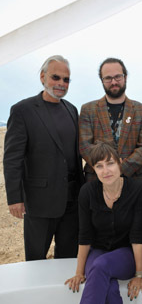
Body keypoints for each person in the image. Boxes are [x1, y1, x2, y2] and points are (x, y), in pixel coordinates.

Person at [51, 141, 142, 304]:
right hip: (99, 253)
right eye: (99, 166)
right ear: (94, 169)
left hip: (125, 254)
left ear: (120, 163)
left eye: (110, 163)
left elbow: (138, 234)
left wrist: (139, 273)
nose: (106, 170)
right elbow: (85, 236)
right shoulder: (88, 192)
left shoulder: (137, 190)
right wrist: (79, 272)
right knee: (109, 289)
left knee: (102, 266)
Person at [3, 55, 84, 261]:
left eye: (66, 80)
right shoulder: (23, 110)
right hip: (40, 203)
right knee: (36, 260)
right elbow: (13, 158)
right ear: (42, 76)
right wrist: (15, 198)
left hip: (71, 203)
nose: (61, 84)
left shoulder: (72, 110)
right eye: (56, 77)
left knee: (67, 260)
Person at [79, 57, 142, 182]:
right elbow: (85, 147)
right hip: (97, 181)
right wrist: (106, 170)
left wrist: (121, 169)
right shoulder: (88, 110)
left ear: (125, 77)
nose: (114, 82)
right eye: (108, 78)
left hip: (134, 180)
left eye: (118, 76)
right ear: (101, 81)